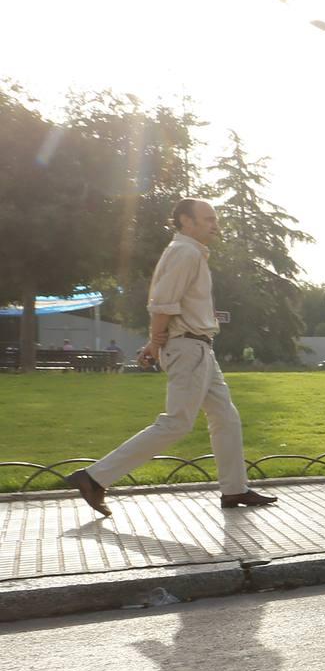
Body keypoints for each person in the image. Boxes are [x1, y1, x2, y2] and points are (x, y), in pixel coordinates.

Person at [64, 199, 279, 517]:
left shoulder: (192, 253)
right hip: (189, 348)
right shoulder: (185, 253)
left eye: (214, 219)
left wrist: (155, 345)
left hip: (200, 348)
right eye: (207, 219)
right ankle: (94, 478)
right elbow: (163, 304)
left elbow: (168, 306)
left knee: (226, 418)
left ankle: (234, 490)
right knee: (177, 423)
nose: (214, 225)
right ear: (185, 221)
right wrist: (155, 342)